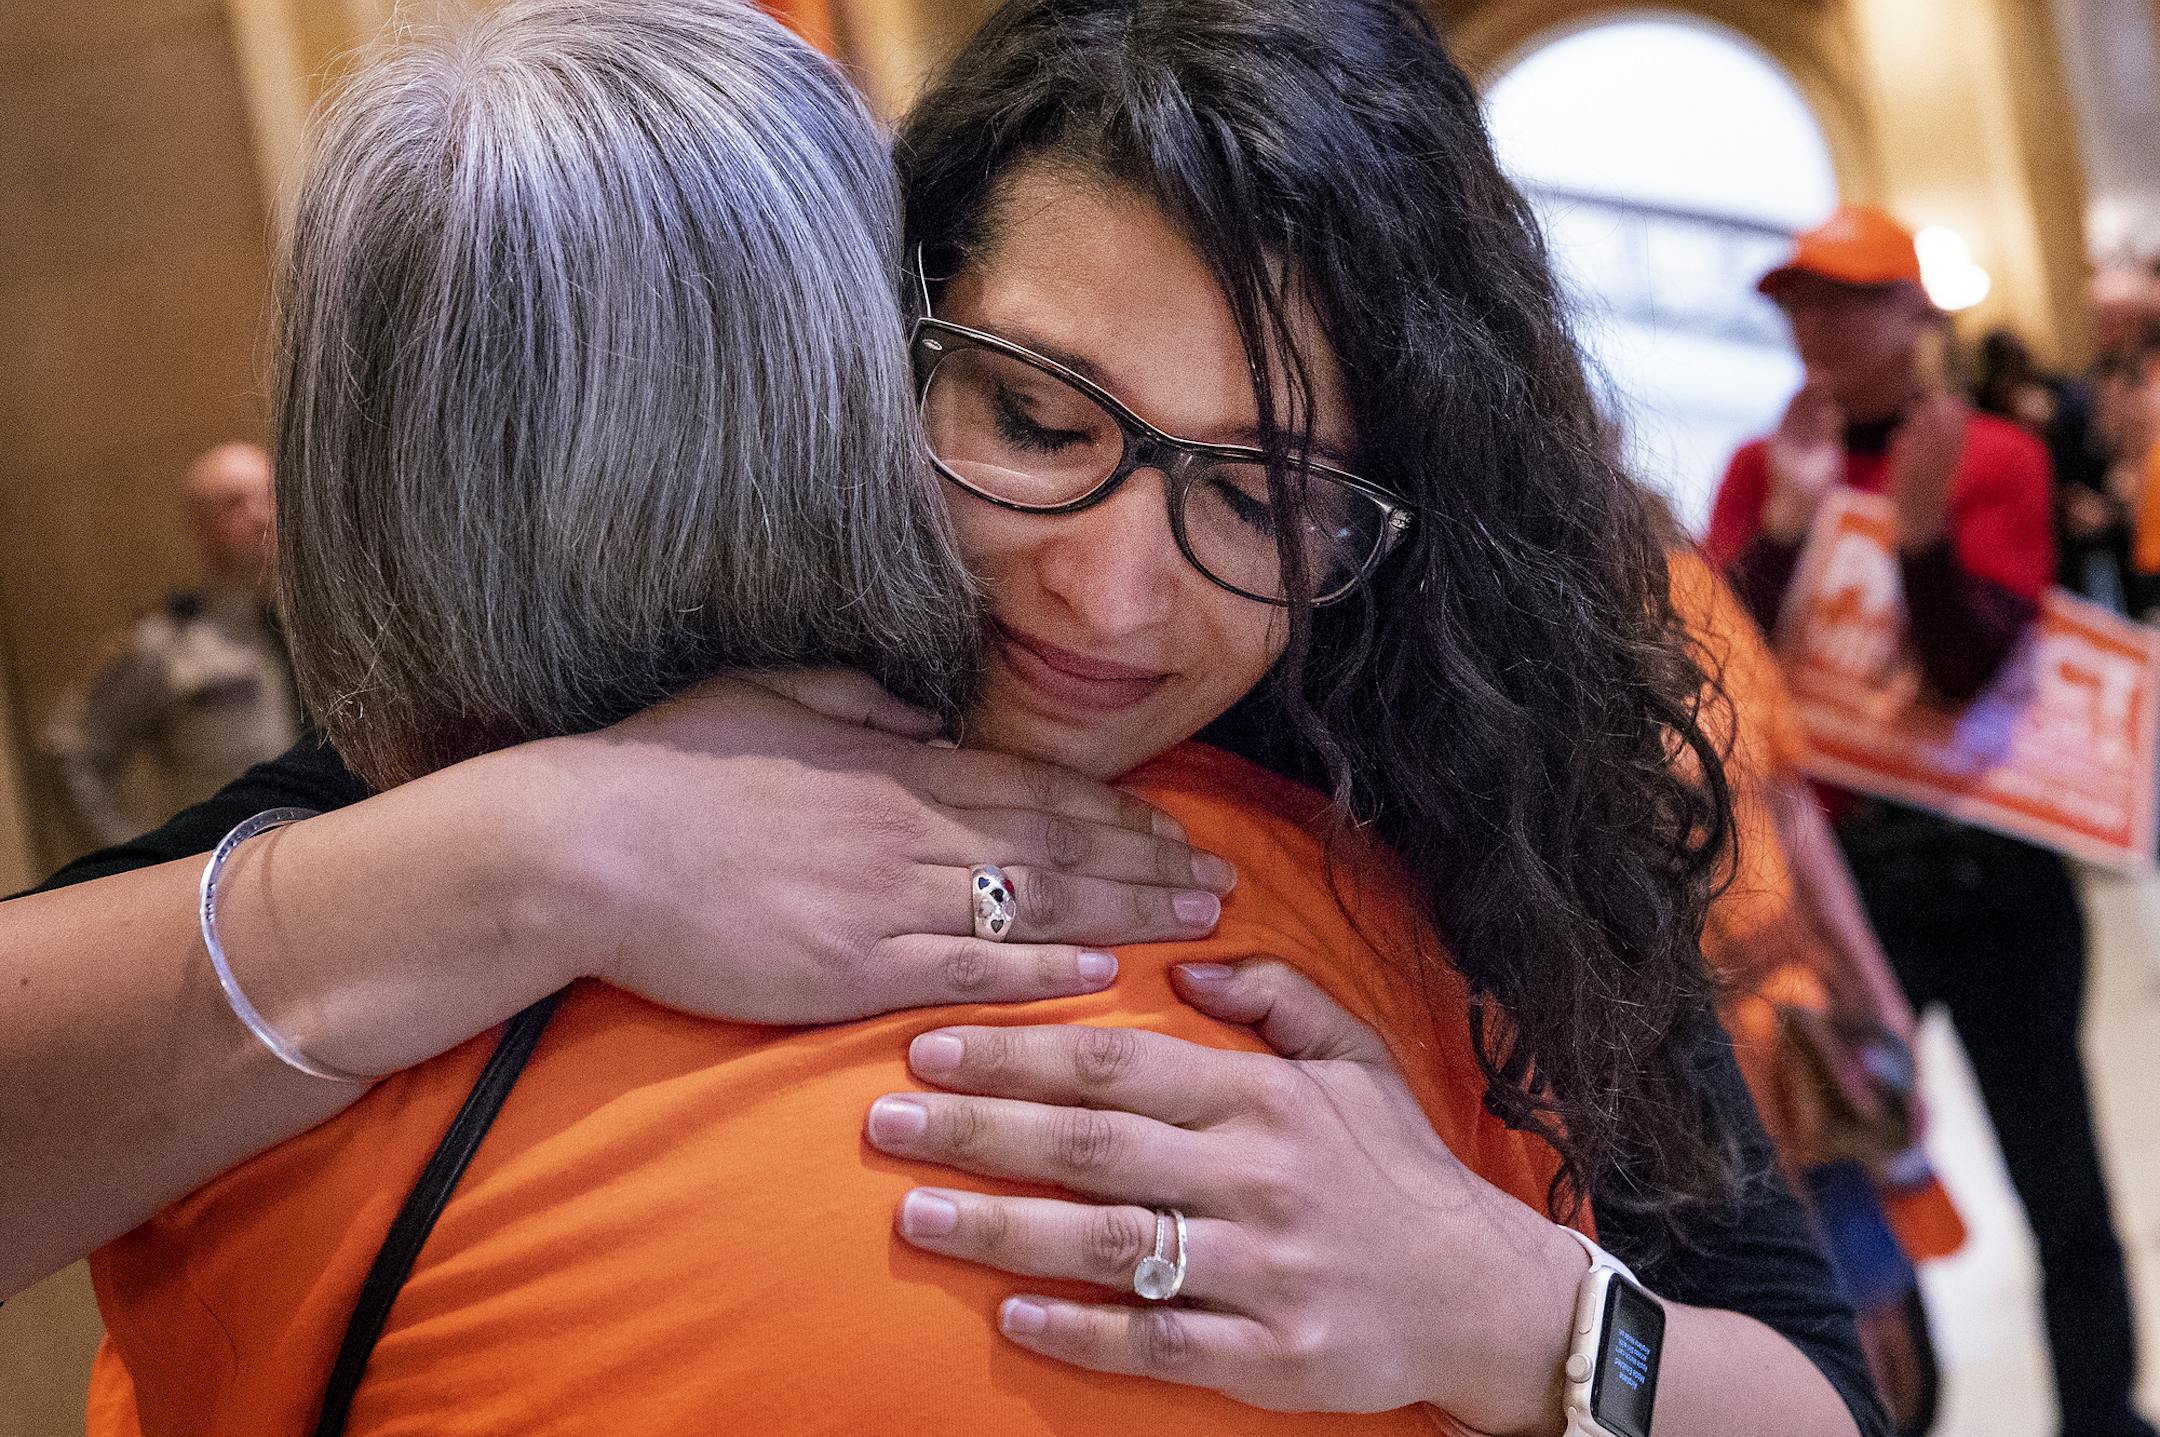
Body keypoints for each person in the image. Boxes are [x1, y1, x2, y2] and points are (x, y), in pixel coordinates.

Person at [16, 2, 1879, 1433]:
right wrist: (557, 847)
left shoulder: (1466, 774)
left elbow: (1815, 1394)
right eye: (1037, 419)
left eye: (1266, 496)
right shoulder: (647, 697)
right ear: (882, 338)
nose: (1113, 590)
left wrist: (1511, 1309)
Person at [1706, 205, 2156, 1437]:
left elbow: (1969, 671)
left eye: (1849, 299)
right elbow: (1717, 664)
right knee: (1852, 1181)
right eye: (1801, 301)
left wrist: (1915, 536)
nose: (1820, 325)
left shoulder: (1998, 456)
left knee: (2055, 1172)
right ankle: (1896, 1415)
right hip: (1847, 884)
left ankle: (2102, 1418)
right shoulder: (1760, 469)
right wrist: (1790, 528)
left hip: (1988, 870)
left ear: (1915, 313)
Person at [42, 443, 301, 846]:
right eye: (235, 503)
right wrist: (138, 856)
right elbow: (71, 751)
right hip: (225, 865)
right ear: (200, 526)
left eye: (268, 494)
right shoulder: (166, 645)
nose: (260, 515)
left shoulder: (318, 629)